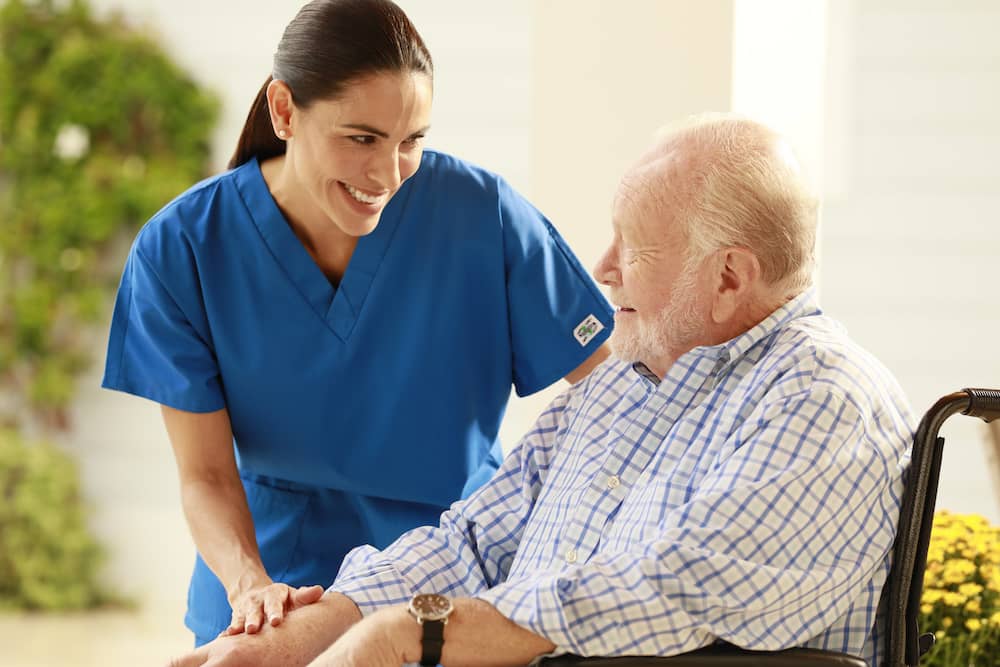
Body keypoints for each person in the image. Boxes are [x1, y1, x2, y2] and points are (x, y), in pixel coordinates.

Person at [169, 113, 915, 667]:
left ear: (728, 277)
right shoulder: (622, 382)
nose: (604, 265)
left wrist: (410, 634)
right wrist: (312, 628)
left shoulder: (822, 399)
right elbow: (473, 541)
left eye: (634, 245)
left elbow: (671, 587)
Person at [101, 0, 613, 647]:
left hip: (446, 593)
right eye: (362, 138)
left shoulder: (484, 218)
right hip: (275, 601)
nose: (387, 172)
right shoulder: (184, 246)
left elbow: (616, 396)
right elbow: (204, 474)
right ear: (285, 111)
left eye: (411, 141)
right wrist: (249, 585)